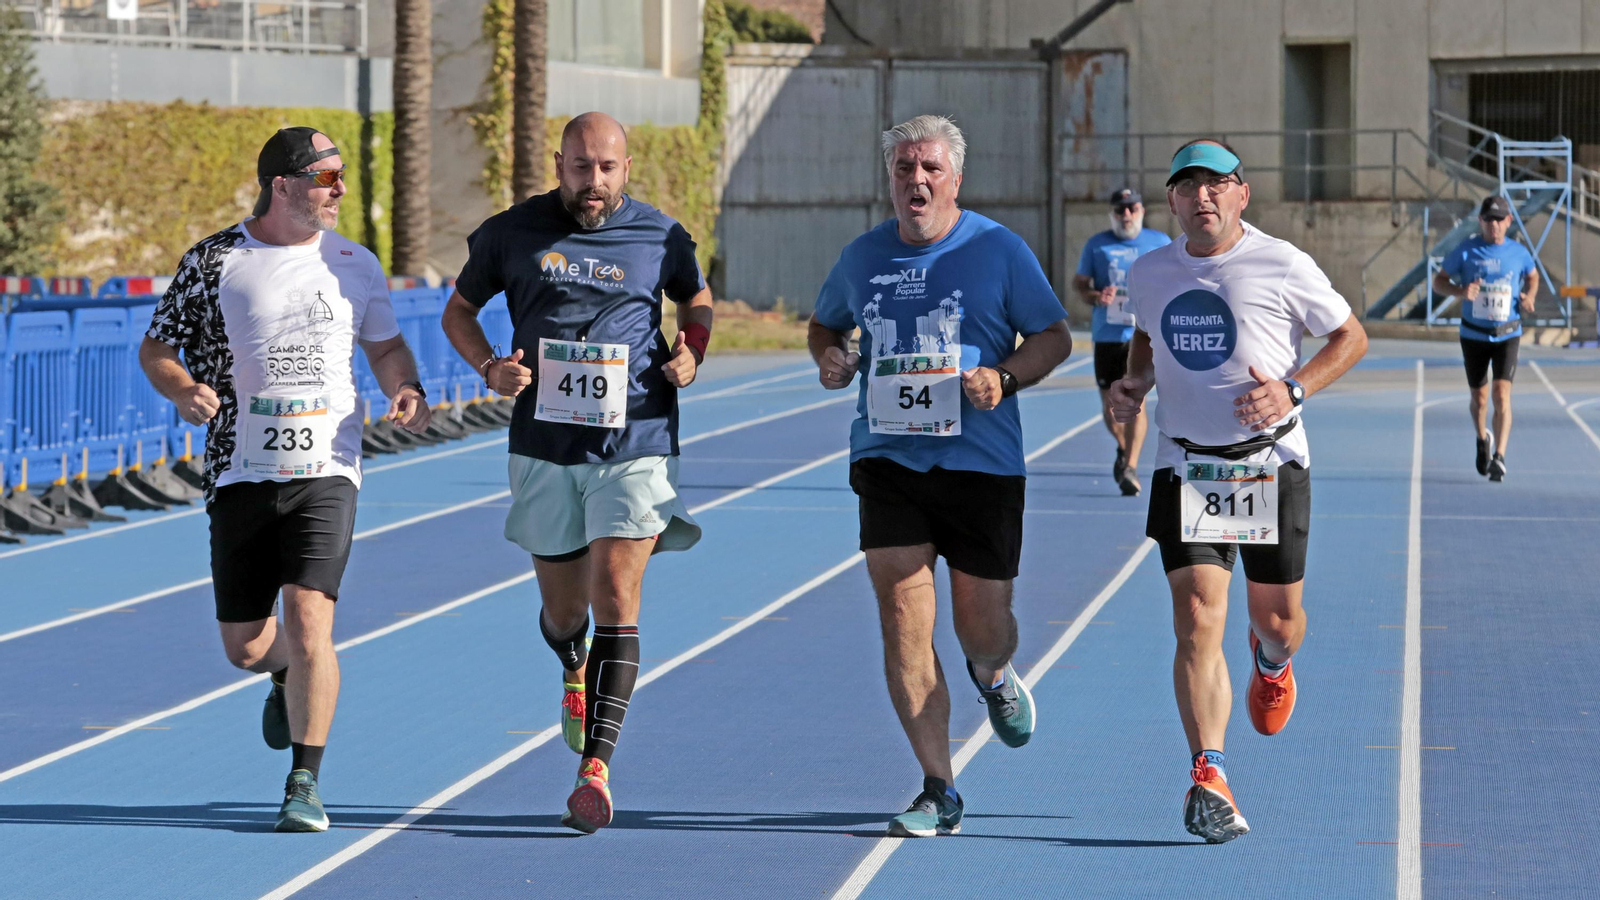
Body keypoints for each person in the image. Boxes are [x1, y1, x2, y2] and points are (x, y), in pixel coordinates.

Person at [139, 127, 432, 833]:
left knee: (310, 622)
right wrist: (182, 391)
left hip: (328, 466)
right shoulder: (214, 261)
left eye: (340, 178)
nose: (338, 190)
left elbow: (385, 344)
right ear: (284, 184)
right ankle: (280, 675)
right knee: (245, 646)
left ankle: (305, 780)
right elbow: (157, 346)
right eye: (327, 177)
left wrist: (407, 387)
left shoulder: (355, 263)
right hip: (240, 468)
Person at [440, 111, 712, 835]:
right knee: (566, 612)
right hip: (544, 447)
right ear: (558, 163)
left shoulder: (662, 235)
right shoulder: (511, 232)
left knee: (618, 592)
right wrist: (489, 367)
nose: (594, 183)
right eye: (581, 167)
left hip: (637, 439)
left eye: (608, 169)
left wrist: (693, 348)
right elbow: (458, 312)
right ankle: (571, 657)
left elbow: (697, 297)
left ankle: (595, 769)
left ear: (628, 168)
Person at [808, 114, 1072, 838]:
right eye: (903, 168)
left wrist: (1003, 377)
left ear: (956, 178)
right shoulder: (862, 255)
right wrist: (829, 357)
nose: (915, 180)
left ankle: (992, 675)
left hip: (981, 464)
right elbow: (825, 323)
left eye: (929, 168)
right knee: (902, 619)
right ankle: (938, 787)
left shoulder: (998, 249)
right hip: (888, 459)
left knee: (981, 626)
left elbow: (1054, 334)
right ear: (889, 177)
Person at [1108, 139, 1367, 843]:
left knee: (1277, 622)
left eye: (1217, 186)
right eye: (1188, 187)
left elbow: (1350, 336)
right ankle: (1210, 774)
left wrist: (1293, 388)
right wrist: (1135, 383)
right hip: (1186, 462)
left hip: (1269, 461)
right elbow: (1145, 336)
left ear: (1241, 195)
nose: (1203, 199)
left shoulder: (1282, 263)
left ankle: (1272, 665)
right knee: (1196, 615)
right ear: (1172, 201)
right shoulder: (1152, 270)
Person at [1432, 195, 1540, 482]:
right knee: (1480, 400)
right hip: (1473, 334)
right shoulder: (1466, 251)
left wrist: (1529, 297)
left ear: (1508, 222)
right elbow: (1438, 281)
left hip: (1507, 333)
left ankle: (1500, 456)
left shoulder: (1518, 253)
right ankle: (1482, 438)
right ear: (1480, 221)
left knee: (1501, 395)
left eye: (1499, 220)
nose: (1494, 225)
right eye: (1488, 220)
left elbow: (1533, 276)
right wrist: (1460, 292)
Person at [1073, 188, 1170, 495]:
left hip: (1143, 336)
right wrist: (1096, 296)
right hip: (1108, 336)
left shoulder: (1160, 243)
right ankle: (1123, 448)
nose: (1126, 214)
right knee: (1110, 407)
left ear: (1141, 210)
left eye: (1131, 208)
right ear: (1112, 214)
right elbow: (1080, 284)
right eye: (1120, 210)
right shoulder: (1097, 245)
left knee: (1134, 402)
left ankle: (1130, 466)